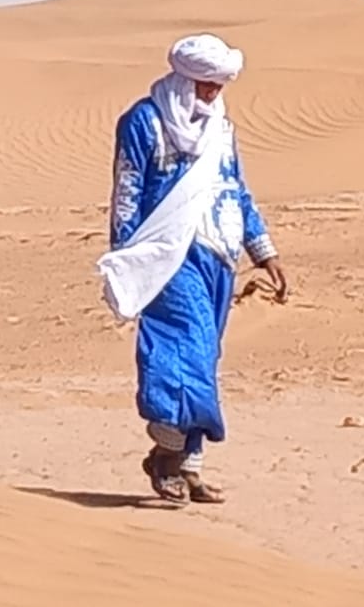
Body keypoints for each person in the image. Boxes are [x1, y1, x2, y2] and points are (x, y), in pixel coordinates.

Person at [97, 33, 289, 505]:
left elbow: (236, 189)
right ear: (184, 78)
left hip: (220, 254)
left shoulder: (222, 129)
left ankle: (190, 466)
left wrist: (264, 251)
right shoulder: (144, 121)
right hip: (167, 255)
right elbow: (126, 192)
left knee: (205, 356)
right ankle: (166, 448)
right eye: (204, 85)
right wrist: (128, 261)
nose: (211, 94)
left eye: (217, 86)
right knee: (185, 346)